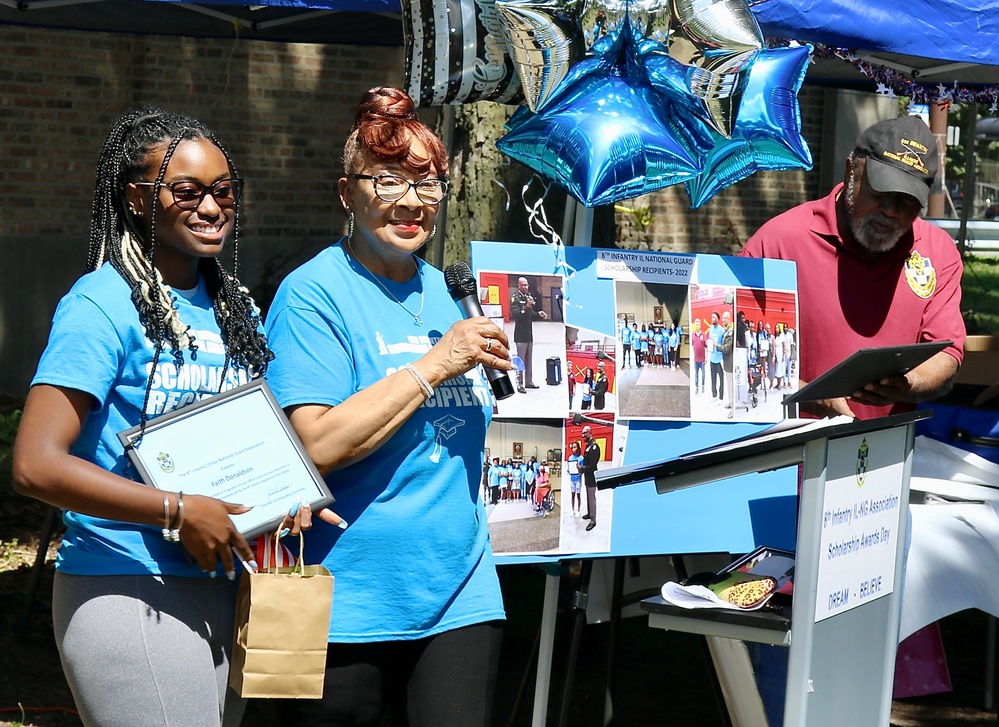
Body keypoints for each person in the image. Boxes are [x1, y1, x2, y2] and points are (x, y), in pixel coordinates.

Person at [11, 108, 315, 727]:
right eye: (187, 191)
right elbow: (35, 464)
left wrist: (284, 495)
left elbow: (251, 438)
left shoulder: (234, 310)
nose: (211, 207)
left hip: (228, 589)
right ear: (136, 199)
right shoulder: (101, 304)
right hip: (127, 586)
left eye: (224, 190)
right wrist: (178, 509)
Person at [263, 87, 510, 726]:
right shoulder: (313, 294)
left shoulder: (451, 292)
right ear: (347, 193)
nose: (411, 202)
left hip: (461, 591)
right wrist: (432, 366)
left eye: (428, 185)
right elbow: (315, 444)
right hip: (347, 598)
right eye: (389, 181)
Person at [739, 115, 966, 725]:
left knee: (865, 636)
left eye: (907, 205)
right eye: (883, 195)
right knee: (783, 641)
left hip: (881, 478)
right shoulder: (779, 240)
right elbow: (733, 360)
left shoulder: (935, 249)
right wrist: (803, 396)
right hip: (785, 477)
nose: (892, 214)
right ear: (851, 169)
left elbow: (948, 349)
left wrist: (911, 381)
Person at [511, 276, 548, 393]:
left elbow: (530, 315)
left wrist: (538, 314)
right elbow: (517, 315)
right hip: (520, 335)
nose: (526, 287)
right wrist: (526, 307)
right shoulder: (515, 298)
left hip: (529, 334)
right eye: (524, 285)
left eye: (527, 285)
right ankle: (519, 383)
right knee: (520, 360)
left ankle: (529, 381)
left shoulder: (528, 297)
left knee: (529, 359)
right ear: (519, 286)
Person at [579, 425, 602, 532]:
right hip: (587, 476)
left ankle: (593, 520)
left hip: (592, 477)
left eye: (584, 433)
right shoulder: (588, 446)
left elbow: (592, 466)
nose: (582, 435)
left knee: (592, 498)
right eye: (582, 433)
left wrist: (581, 468)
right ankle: (589, 513)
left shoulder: (594, 447)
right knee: (588, 497)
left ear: (590, 433)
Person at [708, 311, 725, 403]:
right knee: (713, 378)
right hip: (712, 358)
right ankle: (714, 395)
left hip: (719, 359)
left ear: (717, 319)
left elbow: (723, 345)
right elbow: (710, 341)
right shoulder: (710, 329)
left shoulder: (721, 330)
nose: (712, 319)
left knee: (721, 379)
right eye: (711, 317)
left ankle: (721, 398)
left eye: (714, 317)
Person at [566, 440, 585, 518]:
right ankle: (572, 509)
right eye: (572, 447)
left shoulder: (581, 458)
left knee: (578, 495)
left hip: (578, 480)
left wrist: (579, 469)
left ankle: (578, 510)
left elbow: (582, 470)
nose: (573, 449)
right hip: (572, 479)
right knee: (572, 495)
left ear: (578, 448)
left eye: (575, 447)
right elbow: (569, 468)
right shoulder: (570, 458)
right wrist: (569, 470)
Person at [690, 319, 707, 394]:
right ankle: (696, 387)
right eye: (696, 325)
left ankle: (703, 386)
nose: (697, 326)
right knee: (696, 374)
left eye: (698, 325)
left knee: (703, 374)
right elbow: (692, 345)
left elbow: (706, 347)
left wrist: (706, 357)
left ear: (700, 325)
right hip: (696, 359)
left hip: (702, 359)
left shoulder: (703, 335)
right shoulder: (692, 335)